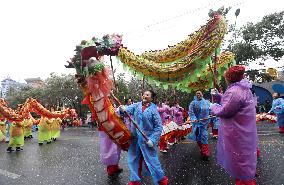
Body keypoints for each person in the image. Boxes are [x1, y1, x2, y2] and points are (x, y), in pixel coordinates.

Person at [210, 65, 258, 185]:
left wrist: (213, 106)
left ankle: (245, 180)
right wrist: (219, 96)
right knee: (244, 159)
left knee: (240, 161)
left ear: (229, 78)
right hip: (244, 131)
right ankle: (244, 178)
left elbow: (225, 111)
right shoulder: (242, 88)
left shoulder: (235, 91)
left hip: (237, 132)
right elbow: (232, 103)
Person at [121, 90, 168, 185]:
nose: (145, 96)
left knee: (152, 161)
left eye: (147, 95)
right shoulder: (136, 105)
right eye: (144, 94)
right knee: (134, 160)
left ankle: (162, 180)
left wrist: (153, 140)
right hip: (135, 139)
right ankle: (134, 181)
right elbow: (127, 110)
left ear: (151, 98)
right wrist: (123, 109)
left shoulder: (154, 110)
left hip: (147, 140)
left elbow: (158, 127)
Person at [188, 91, 211, 160]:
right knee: (198, 137)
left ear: (202, 94)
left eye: (199, 93)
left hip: (204, 123)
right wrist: (194, 118)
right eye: (197, 93)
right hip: (196, 124)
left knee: (204, 136)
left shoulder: (207, 102)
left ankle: (205, 153)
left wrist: (211, 115)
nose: (198, 94)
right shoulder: (193, 103)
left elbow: (210, 110)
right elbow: (191, 112)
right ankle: (202, 149)